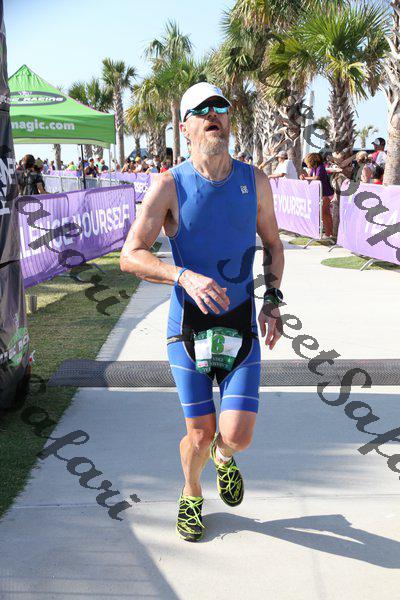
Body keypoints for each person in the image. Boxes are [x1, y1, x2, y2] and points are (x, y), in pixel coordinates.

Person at [120, 81, 284, 543]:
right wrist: (183, 276)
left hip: (239, 323)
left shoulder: (254, 181)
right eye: (202, 109)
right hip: (188, 327)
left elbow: (273, 244)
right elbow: (130, 255)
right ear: (185, 126)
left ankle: (224, 458)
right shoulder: (168, 185)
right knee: (198, 434)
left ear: (229, 120)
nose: (214, 114)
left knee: (237, 436)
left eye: (221, 107)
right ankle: (191, 491)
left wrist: (272, 299)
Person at [300, 153, 334, 238]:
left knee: (324, 213)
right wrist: (304, 176)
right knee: (325, 213)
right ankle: (329, 233)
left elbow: (316, 178)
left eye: (307, 162)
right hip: (322, 194)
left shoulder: (320, 167)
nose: (307, 164)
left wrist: (305, 178)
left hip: (327, 194)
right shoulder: (314, 169)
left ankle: (328, 233)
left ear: (312, 161)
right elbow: (310, 177)